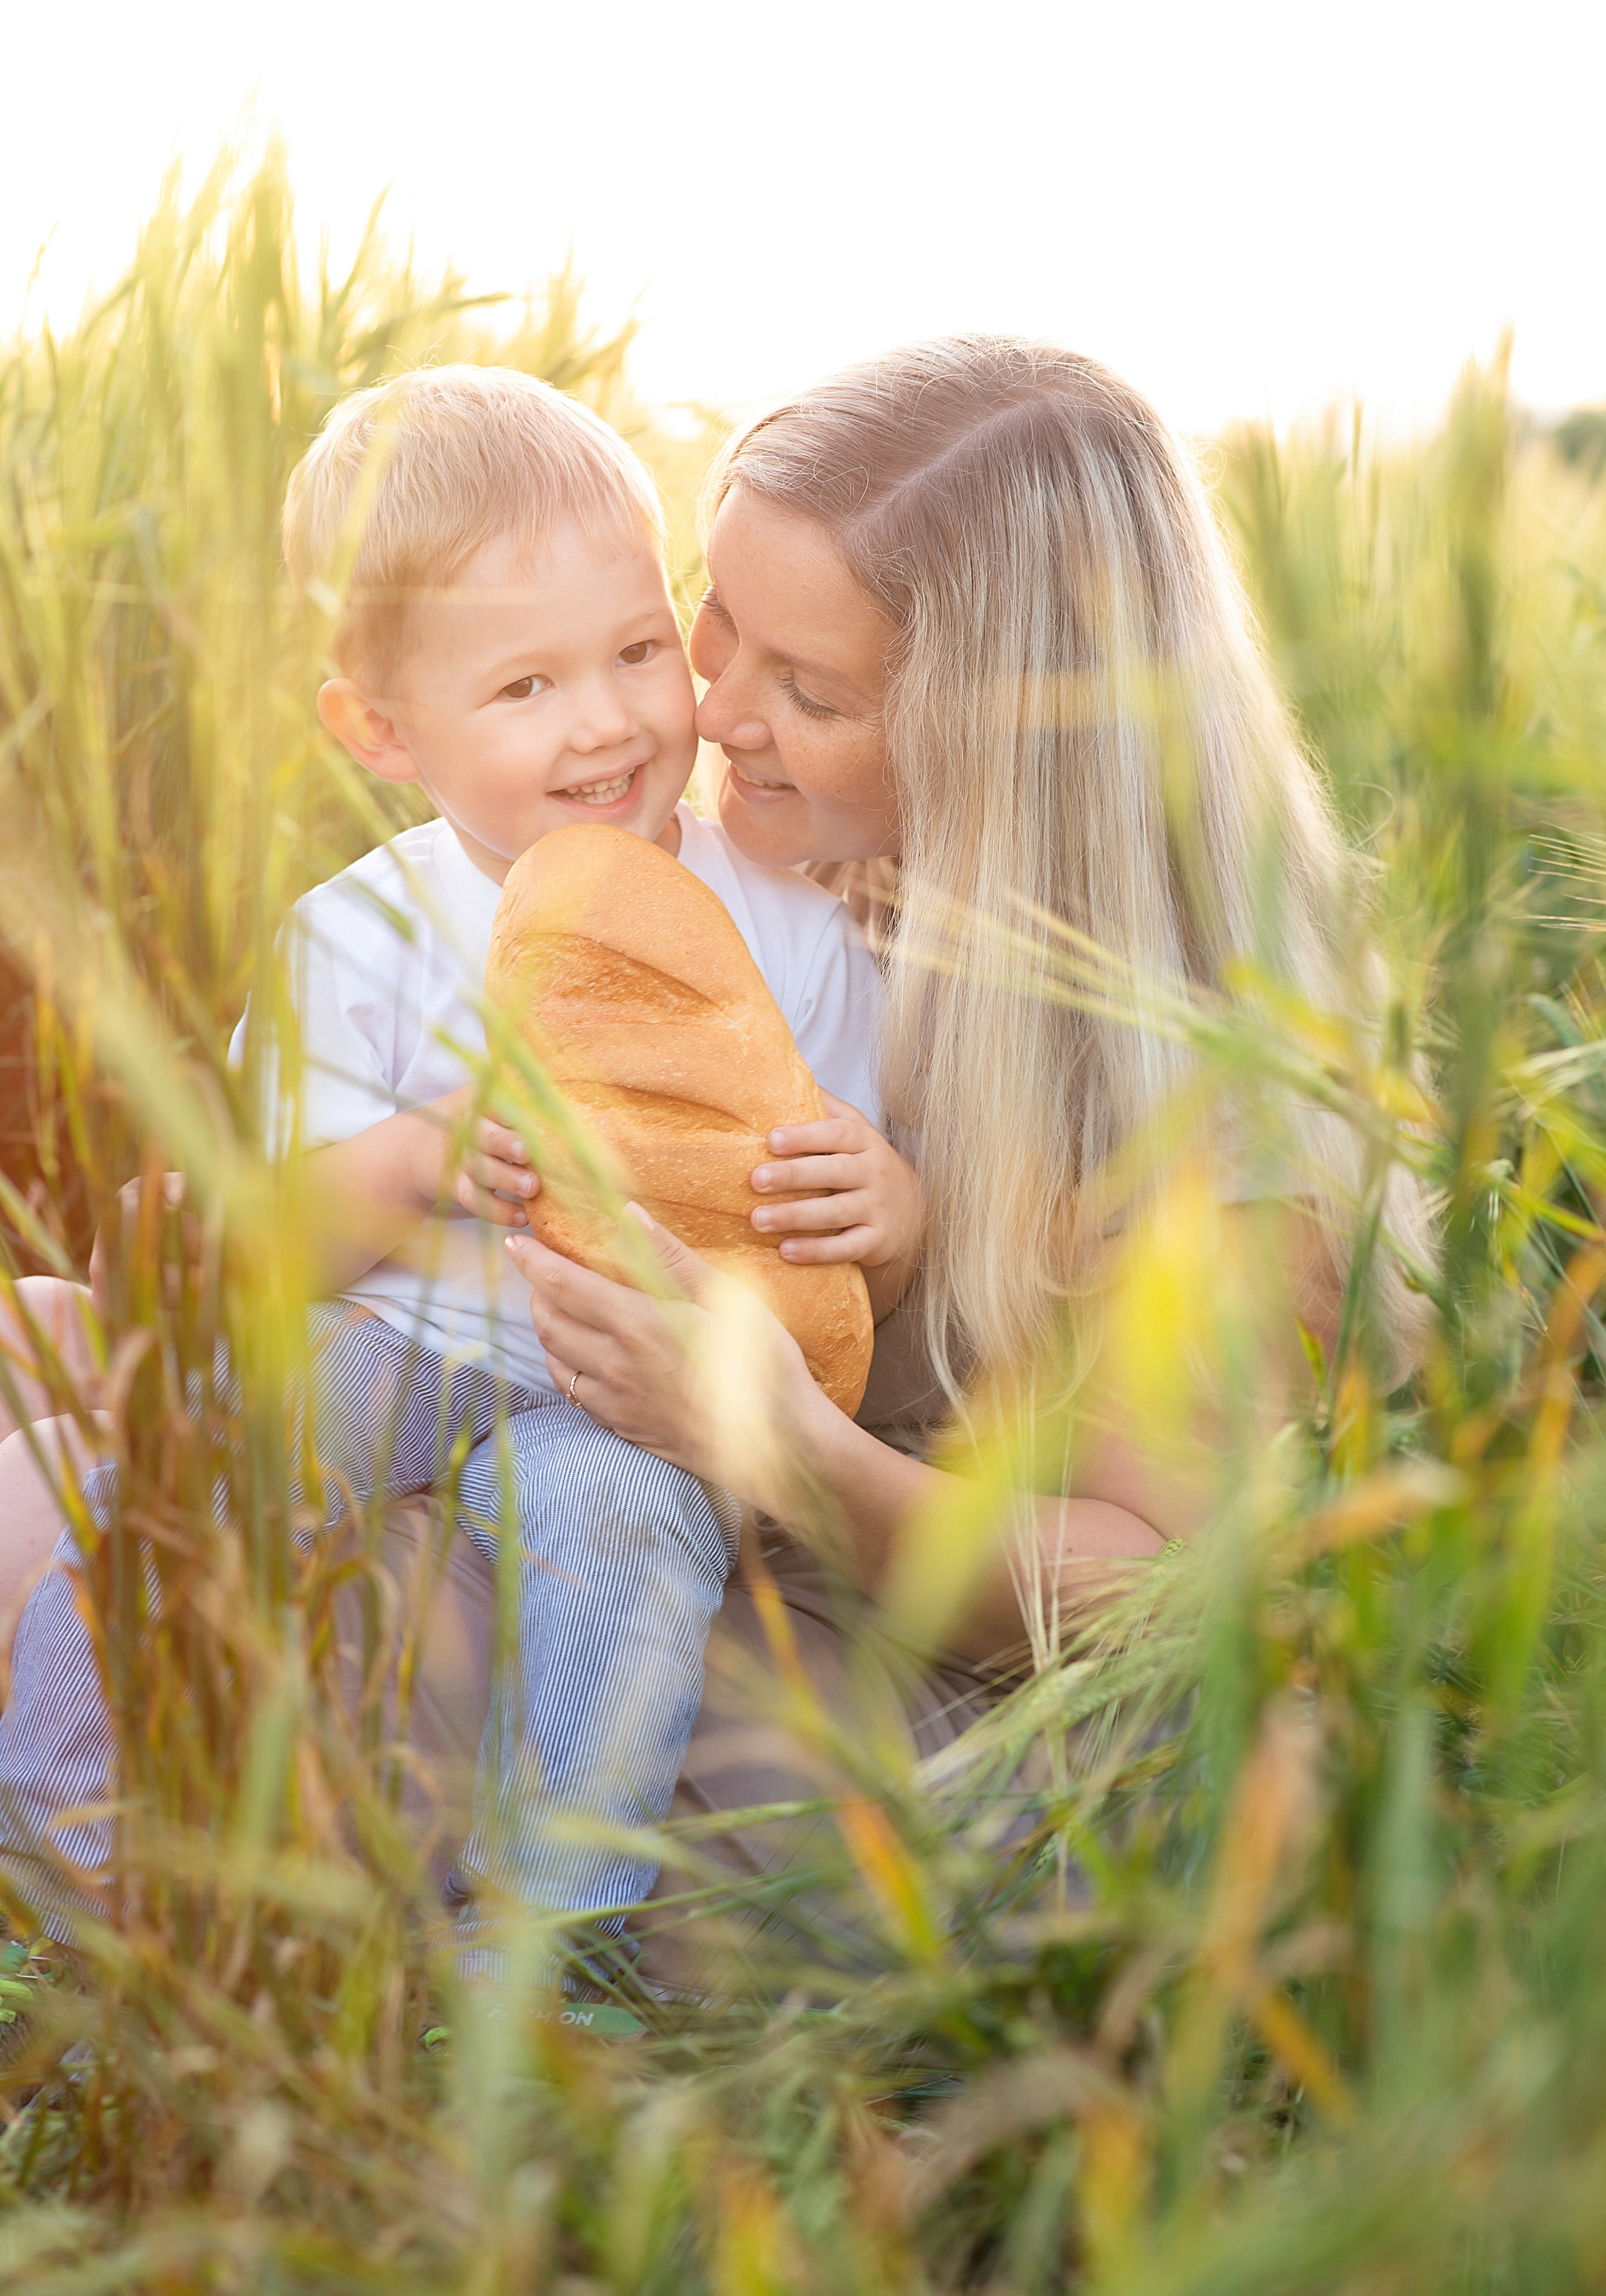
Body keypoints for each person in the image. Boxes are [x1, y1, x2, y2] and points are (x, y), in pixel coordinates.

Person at [454, 336, 1435, 1976]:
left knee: (362, 1668)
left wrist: (782, 1449)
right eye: (718, 624)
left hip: (993, 1689)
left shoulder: (1222, 1104)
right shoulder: (825, 897)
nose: (710, 708)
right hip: (741, 1544)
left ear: (1008, 745)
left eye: (809, 691)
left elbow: (1167, 1600)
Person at [0, 364, 921, 1964]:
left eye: (639, 650)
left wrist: (892, 1212)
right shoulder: (356, 935)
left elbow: (826, 1243)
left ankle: (534, 1955)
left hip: (628, 1388)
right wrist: (419, 1156)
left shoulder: (780, 918)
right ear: (380, 727)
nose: (610, 720)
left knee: (623, 1550)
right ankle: (74, 1850)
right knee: (170, 1464)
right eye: (526, 688)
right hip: (400, 1342)